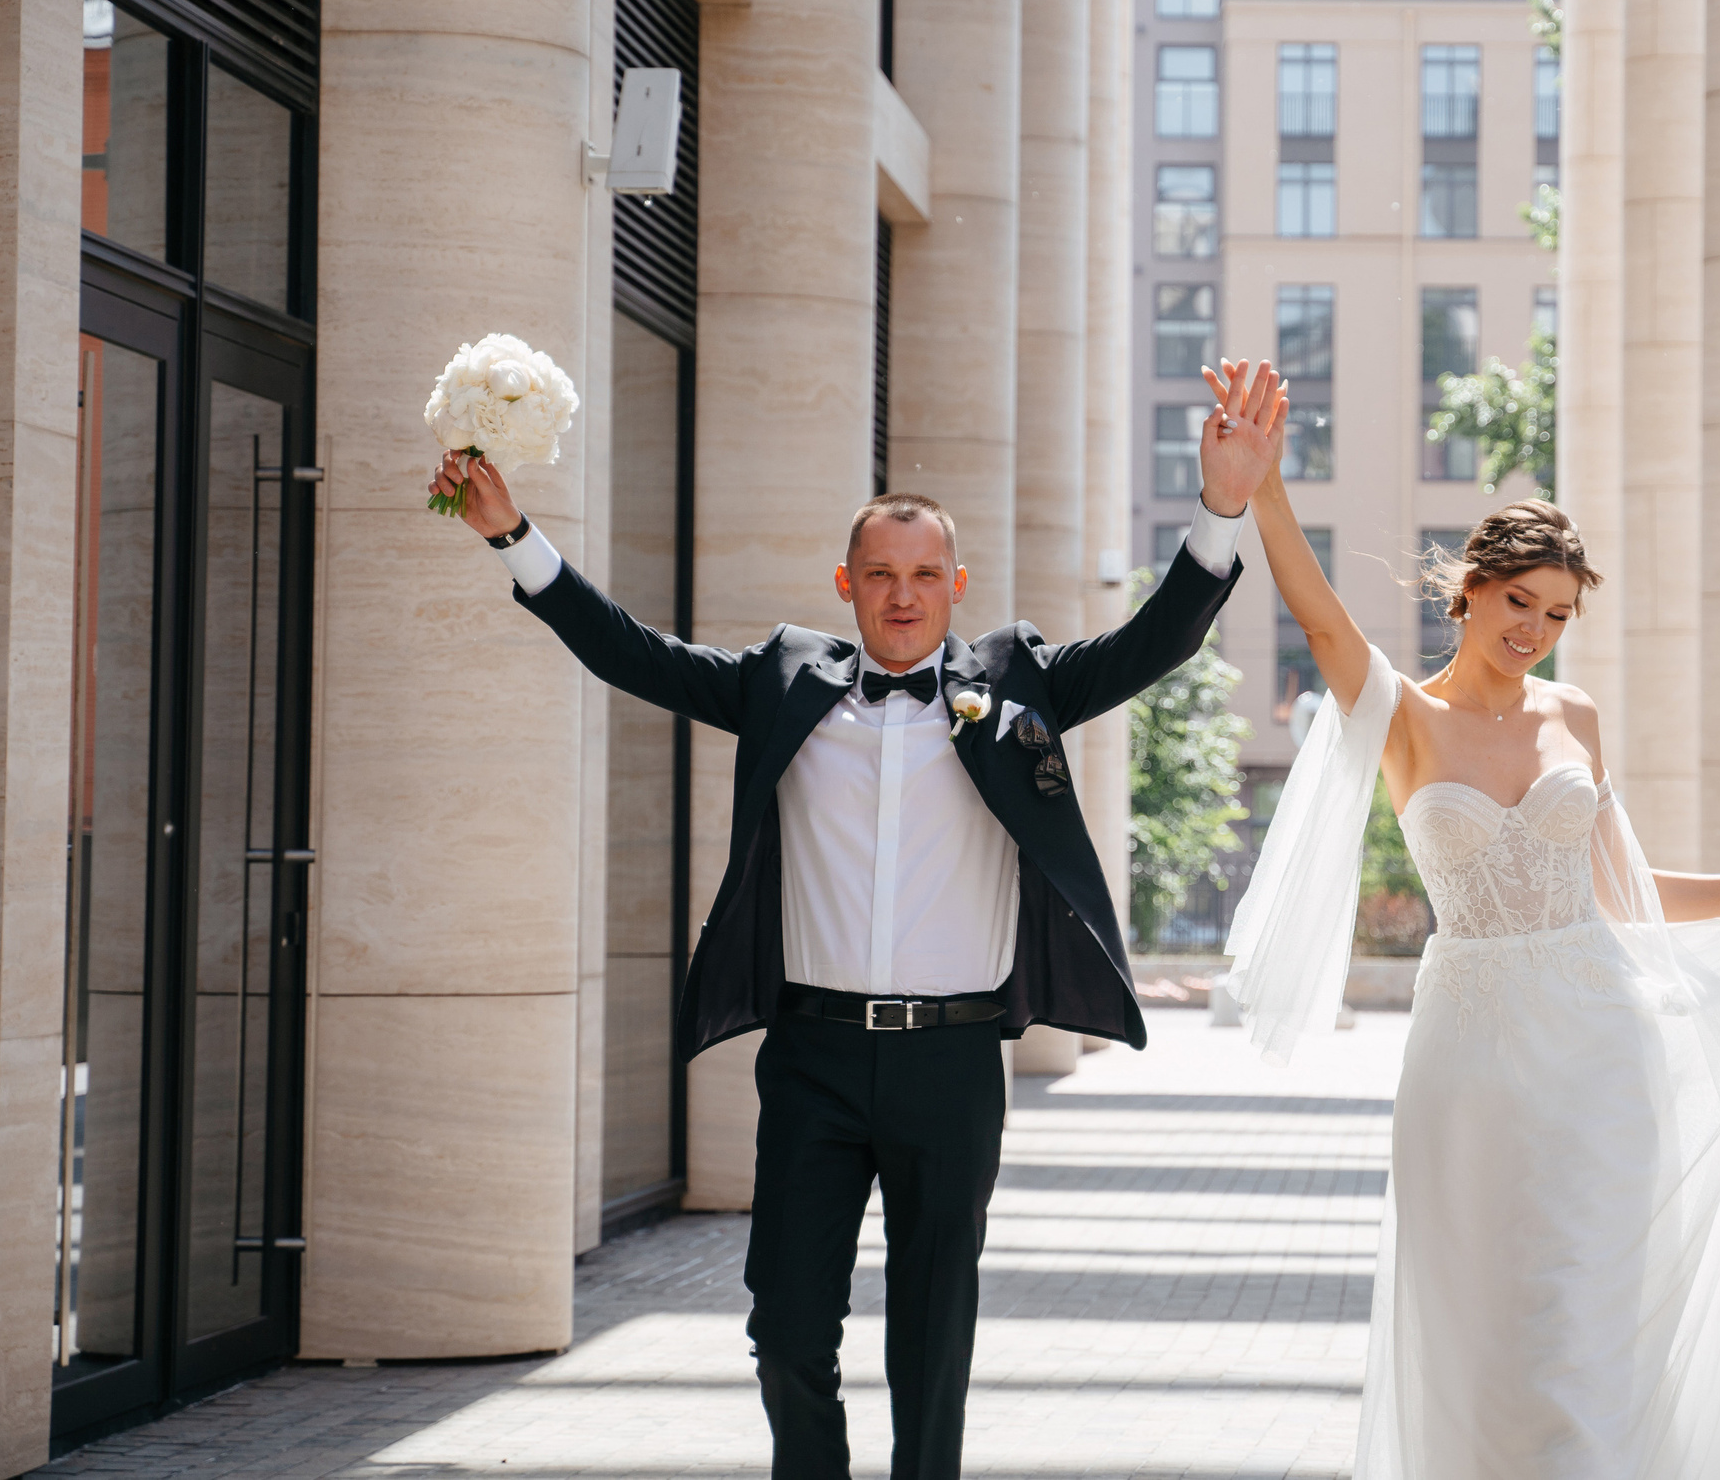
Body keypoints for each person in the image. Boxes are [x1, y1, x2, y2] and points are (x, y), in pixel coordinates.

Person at [426, 363, 1283, 1480]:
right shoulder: (781, 685)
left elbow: (1152, 643)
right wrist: (513, 538)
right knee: (785, 1331)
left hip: (956, 1061)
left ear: (955, 584)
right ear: (845, 582)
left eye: (925, 575)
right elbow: (629, 651)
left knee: (933, 1342)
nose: (902, 595)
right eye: (879, 574)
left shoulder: (1017, 686)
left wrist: (1222, 506)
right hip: (815, 1057)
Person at [1208, 359, 1720, 1478]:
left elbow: (1618, 891)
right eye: (1519, 601)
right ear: (1470, 589)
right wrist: (1265, 488)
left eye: (1558, 614)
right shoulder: (1404, 720)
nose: (1535, 628)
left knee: (1595, 1323)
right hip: (1473, 1063)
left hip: (1602, 1047)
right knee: (1488, 1329)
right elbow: (1323, 624)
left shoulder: (1574, 714)